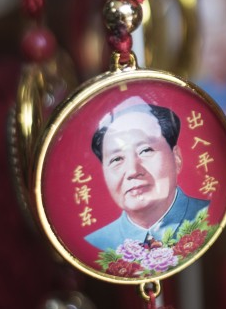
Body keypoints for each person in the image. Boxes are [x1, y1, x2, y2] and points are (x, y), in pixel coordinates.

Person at [84, 97, 209, 251]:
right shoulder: (97, 242)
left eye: (145, 150)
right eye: (117, 159)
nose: (133, 171)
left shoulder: (209, 218)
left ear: (176, 157)